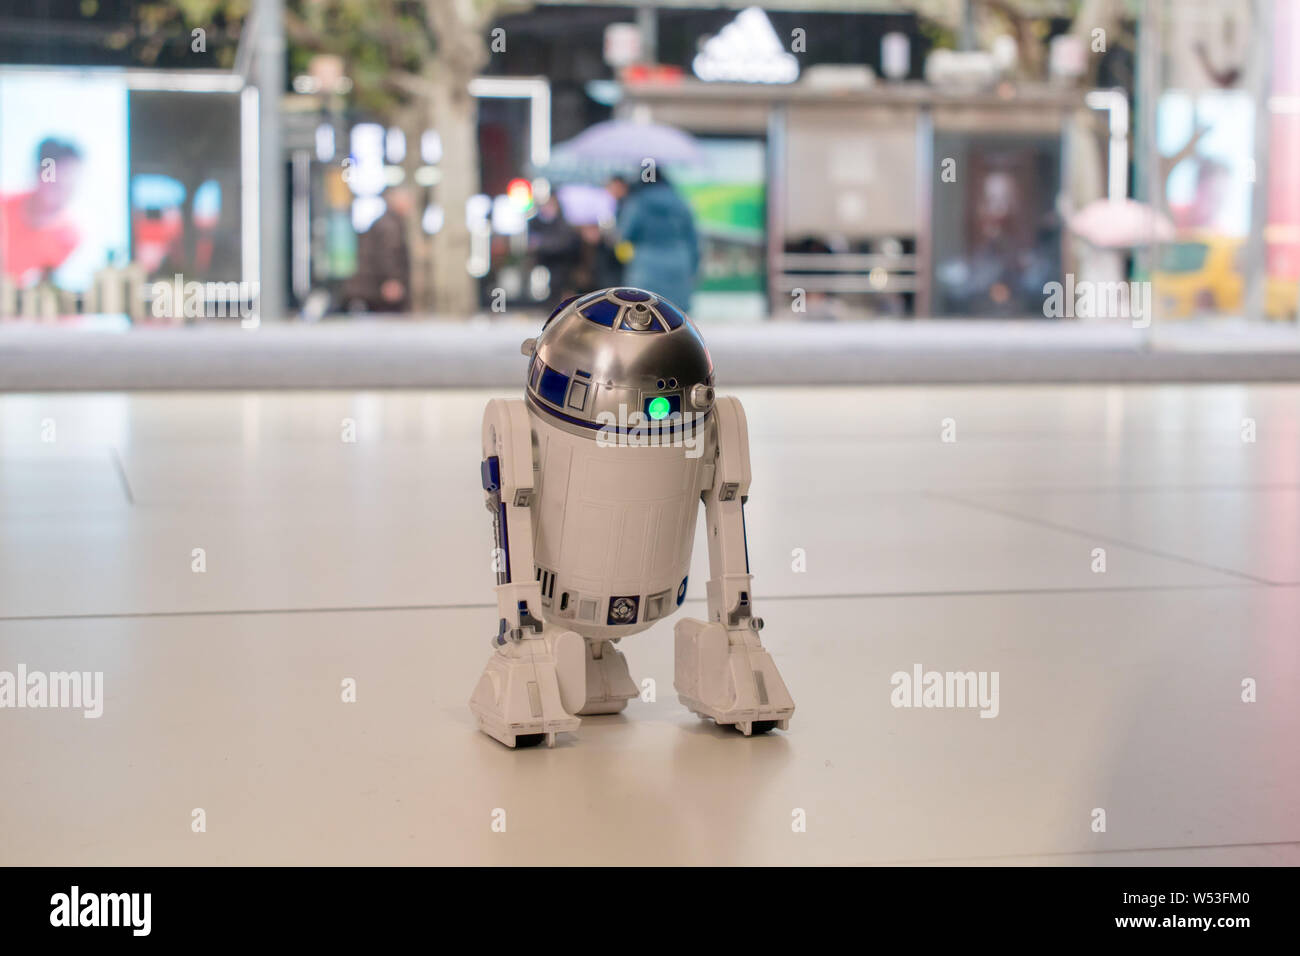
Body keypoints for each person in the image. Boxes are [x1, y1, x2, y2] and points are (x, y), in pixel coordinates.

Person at [0, 139, 84, 288]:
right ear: (38, 172)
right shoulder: (4, 206)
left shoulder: (69, 236)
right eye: (57, 176)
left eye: (71, 177)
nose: (64, 183)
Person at [611, 172, 699, 310]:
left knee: (644, 314)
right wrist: (694, 269)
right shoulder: (681, 202)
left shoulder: (638, 202)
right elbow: (693, 240)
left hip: (646, 266)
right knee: (677, 317)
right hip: (679, 264)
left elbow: (624, 234)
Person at [344, 186, 413, 313]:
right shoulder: (389, 226)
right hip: (382, 288)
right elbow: (388, 255)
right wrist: (392, 280)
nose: (410, 205)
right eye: (408, 201)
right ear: (398, 202)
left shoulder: (387, 222)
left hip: (376, 287)